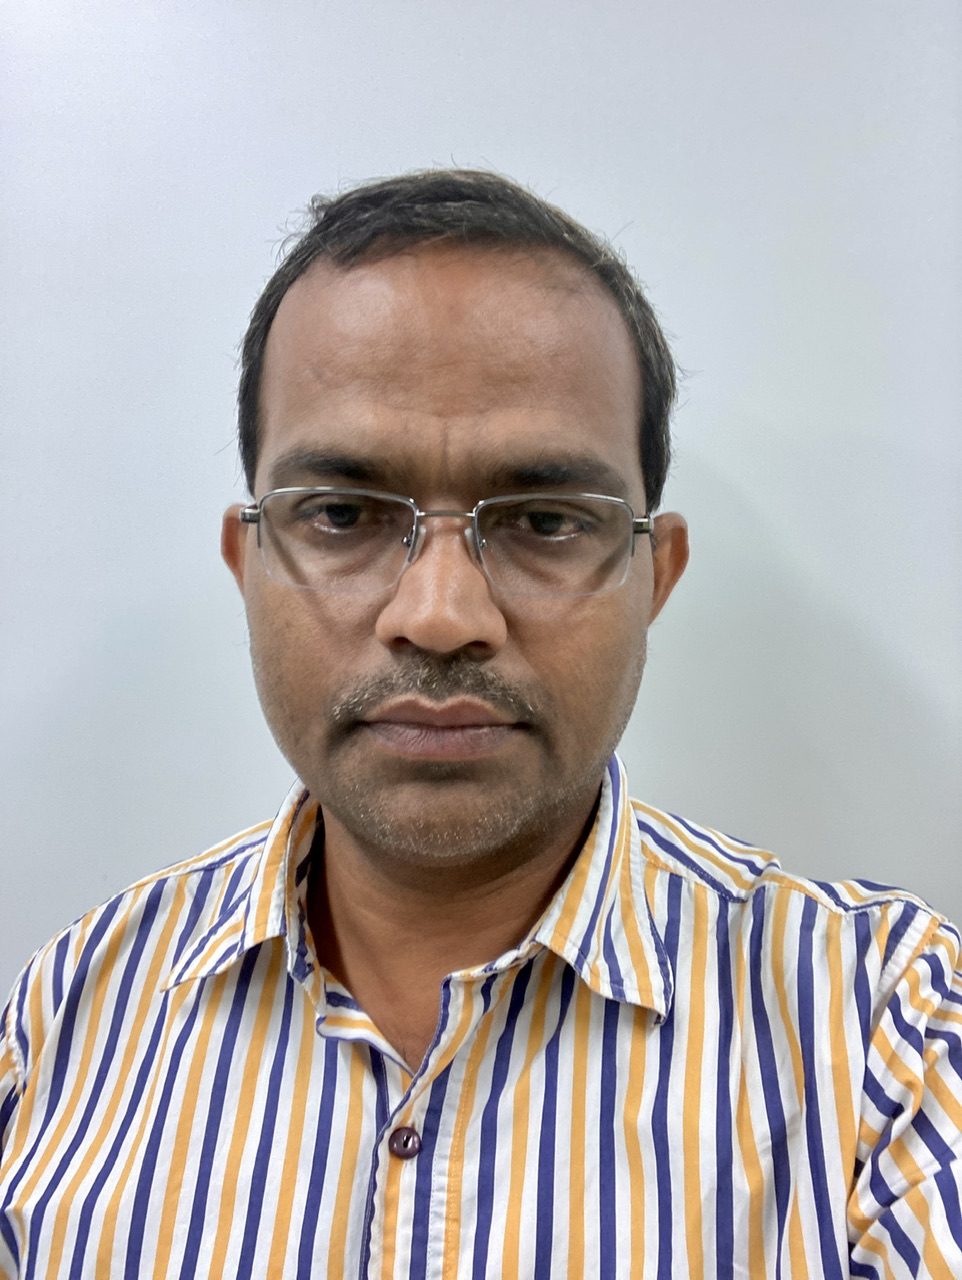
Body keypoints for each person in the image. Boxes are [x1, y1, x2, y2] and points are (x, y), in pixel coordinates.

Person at [1, 170, 959, 1279]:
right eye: (344, 514)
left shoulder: (890, 1033)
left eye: (545, 520)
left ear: (654, 576)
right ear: (246, 564)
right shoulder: (67, 1020)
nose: (440, 615)